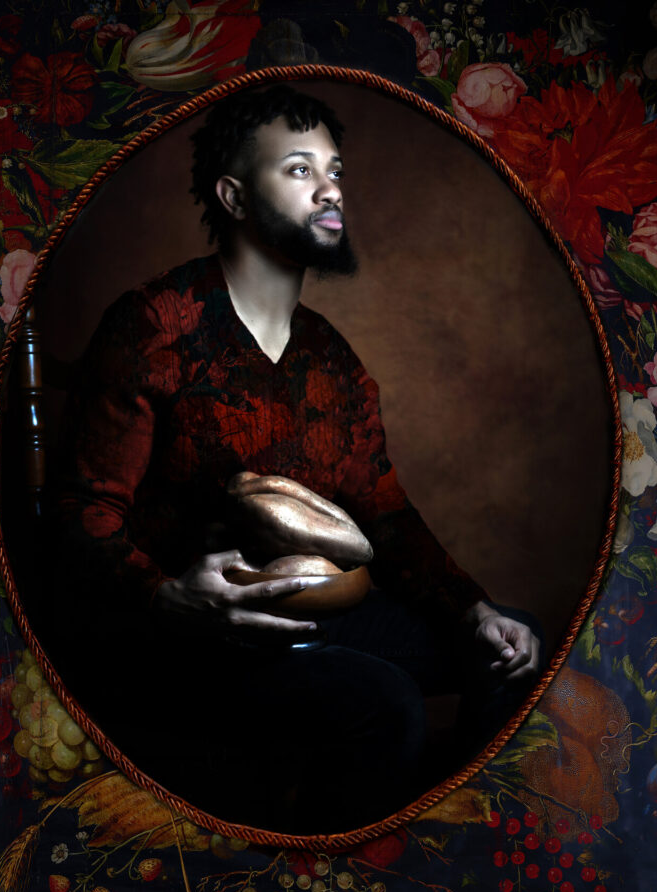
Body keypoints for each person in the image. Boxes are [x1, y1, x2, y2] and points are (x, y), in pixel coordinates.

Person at [53, 85, 542, 833]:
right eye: (299, 169)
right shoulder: (155, 326)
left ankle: (428, 865)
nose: (331, 187)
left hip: (316, 621)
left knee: (515, 646)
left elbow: (387, 517)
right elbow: (80, 514)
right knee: (386, 705)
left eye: (335, 168)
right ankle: (310, 882)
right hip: (185, 644)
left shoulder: (332, 360)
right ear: (235, 195)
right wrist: (166, 595)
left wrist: (473, 607)